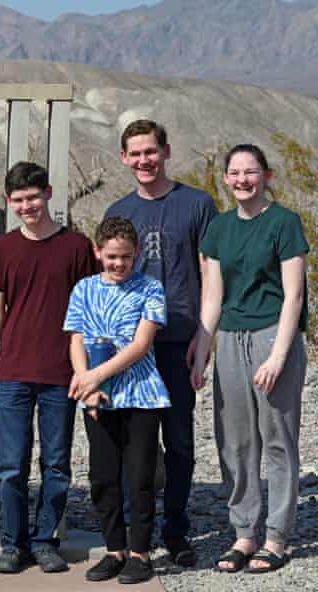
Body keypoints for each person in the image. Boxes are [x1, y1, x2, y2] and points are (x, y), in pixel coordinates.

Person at [190, 144, 308, 574]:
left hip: (272, 336)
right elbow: (212, 297)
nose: (243, 180)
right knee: (235, 441)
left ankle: (277, 537)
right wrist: (202, 352)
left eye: (251, 172)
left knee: (277, 438)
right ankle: (244, 533)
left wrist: (278, 355)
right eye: (235, 173)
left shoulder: (284, 222)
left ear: (267, 176)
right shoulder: (219, 228)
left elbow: (294, 295)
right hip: (230, 338)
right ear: (225, 179)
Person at [105, 119, 218, 566]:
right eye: (135, 153)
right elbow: (110, 279)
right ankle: (138, 534)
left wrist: (204, 339)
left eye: (150, 151)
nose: (144, 160)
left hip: (178, 340)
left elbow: (211, 274)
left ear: (166, 152)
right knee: (136, 444)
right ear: (124, 158)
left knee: (179, 441)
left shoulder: (197, 204)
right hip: (132, 346)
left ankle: (176, 529)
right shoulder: (120, 210)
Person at [0, 162, 98, 574]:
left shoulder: (76, 247)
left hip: (61, 374)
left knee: (57, 465)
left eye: (33, 197)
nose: (27, 206)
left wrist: (85, 370)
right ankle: (14, 545)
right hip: (12, 372)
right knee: (11, 466)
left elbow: (86, 313)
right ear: (8, 202)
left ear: (47, 193)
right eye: (18, 200)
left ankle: (46, 541)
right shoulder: (2, 249)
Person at [64, 216, 170, 585]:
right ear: (98, 252)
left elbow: (141, 344)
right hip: (97, 396)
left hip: (140, 394)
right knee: (103, 476)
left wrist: (96, 376)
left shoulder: (150, 288)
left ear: (136, 252)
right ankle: (114, 549)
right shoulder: (83, 289)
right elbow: (76, 340)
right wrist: (87, 383)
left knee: (140, 476)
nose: (118, 263)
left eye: (125, 256)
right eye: (111, 256)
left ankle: (140, 552)